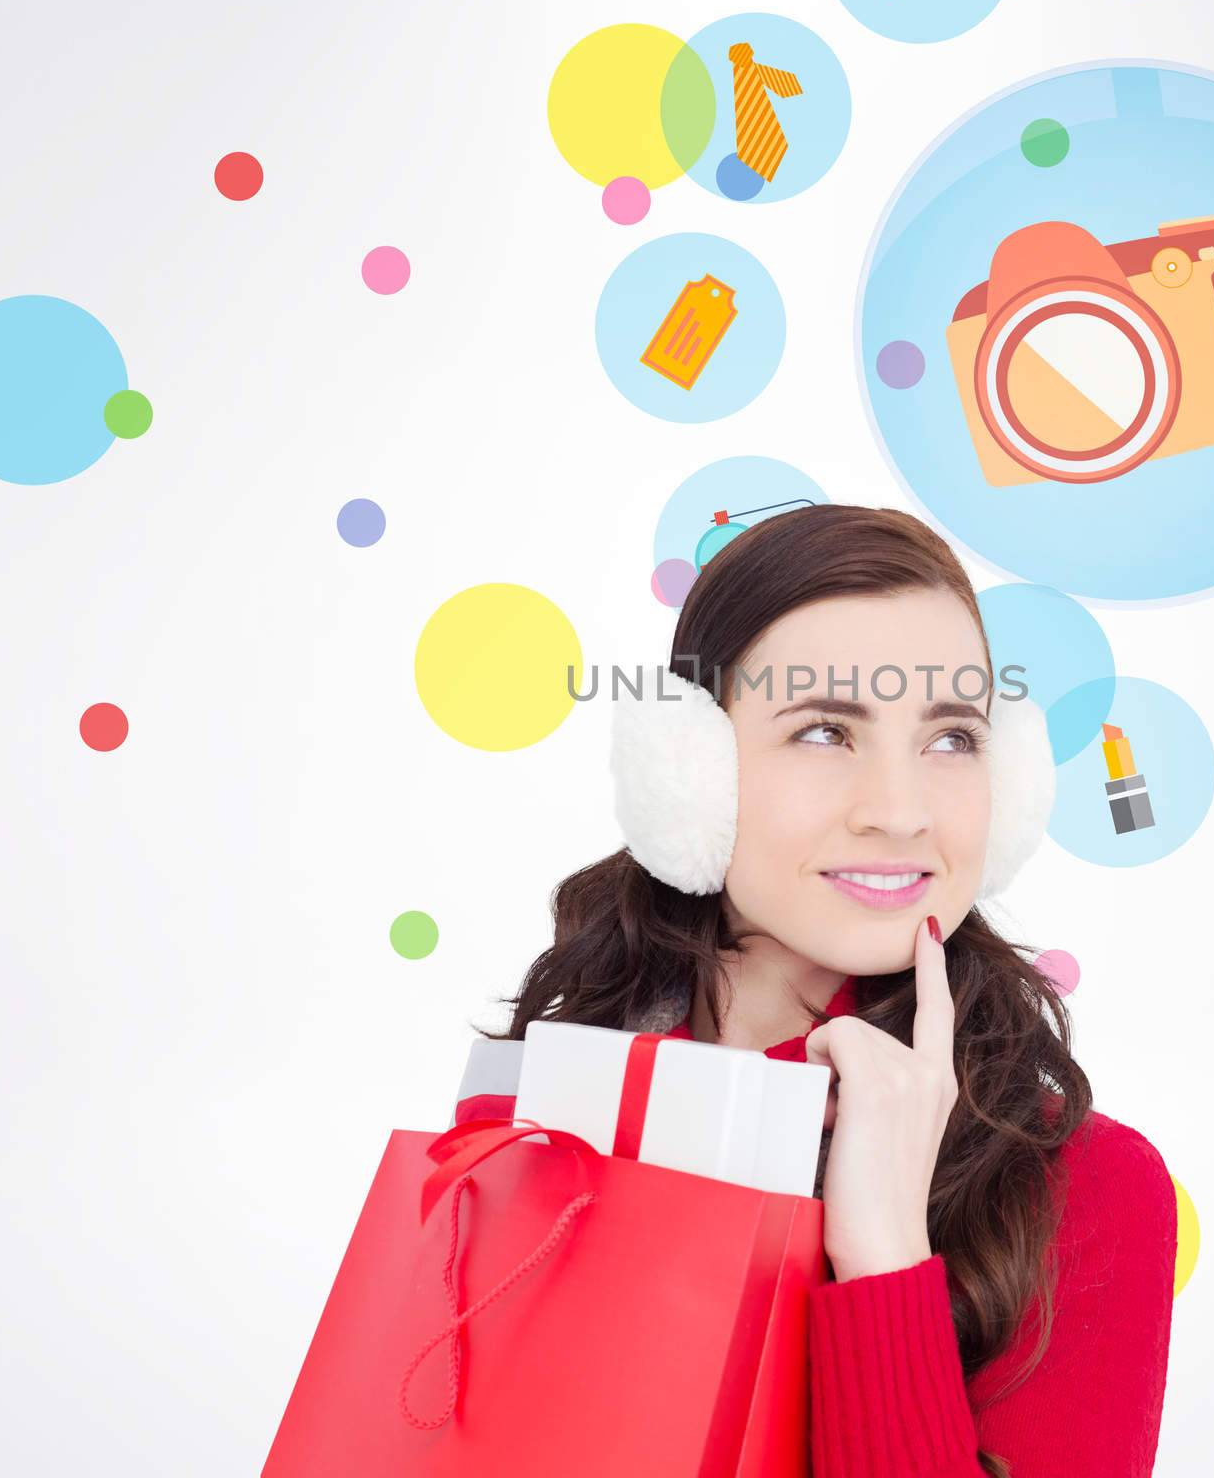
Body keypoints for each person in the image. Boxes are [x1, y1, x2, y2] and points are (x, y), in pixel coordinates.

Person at [478, 504, 1177, 1477]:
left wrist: (885, 1254)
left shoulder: (1082, 1191)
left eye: (950, 740)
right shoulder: (543, 1114)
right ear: (692, 773)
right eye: (821, 730)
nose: (898, 812)